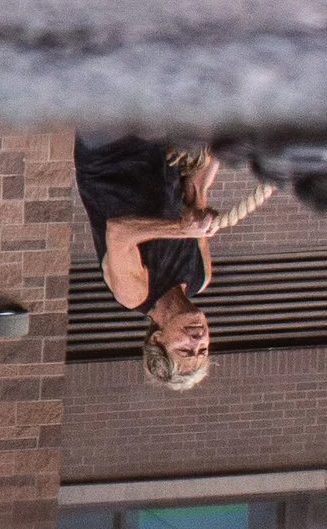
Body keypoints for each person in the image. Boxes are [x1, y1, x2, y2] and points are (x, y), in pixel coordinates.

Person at [74, 134, 219, 392]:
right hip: (159, 148)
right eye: (203, 348)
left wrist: (182, 229)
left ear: (157, 338)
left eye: (185, 349)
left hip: (109, 152)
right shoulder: (202, 275)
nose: (197, 339)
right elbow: (196, 193)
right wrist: (224, 146)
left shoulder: (134, 295)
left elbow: (118, 232)